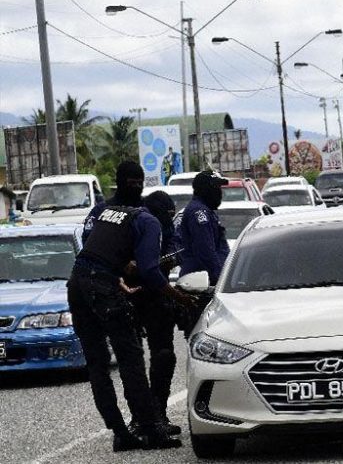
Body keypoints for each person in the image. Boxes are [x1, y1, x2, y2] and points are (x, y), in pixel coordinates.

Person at [68, 165, 191, 451]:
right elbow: (149, 270)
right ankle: (151, 430)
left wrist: (116, 278)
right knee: (131, 357)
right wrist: (179, 296)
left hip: (80, 280)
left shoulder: (111, 213)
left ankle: (121, 433)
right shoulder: (148, 222)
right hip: (103, 285)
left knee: (97, 364)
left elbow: (96, 253)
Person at [128, 191, 183, 436]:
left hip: (157, 293)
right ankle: (139, 417)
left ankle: (158, 412)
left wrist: (167, 259)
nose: (169, 219)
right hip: (130, 293)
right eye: (167, 214)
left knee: (164, 355)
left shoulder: (164, 226)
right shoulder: (138, 222)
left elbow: (173, 247)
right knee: (132, 360)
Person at [179, 170, 230, 285]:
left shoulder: (207, 211)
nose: (220, 192)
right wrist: (221, 280)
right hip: (203, 282)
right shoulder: (199, 213)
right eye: (217, 187)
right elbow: (205, 252)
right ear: (206, 190)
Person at [82, 161, 145, 244]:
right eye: (132, 183)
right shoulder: (101, 210)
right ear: (120, 182)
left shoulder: (147, 208)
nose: (137, 187)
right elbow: (88, 241)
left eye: (140, 183)